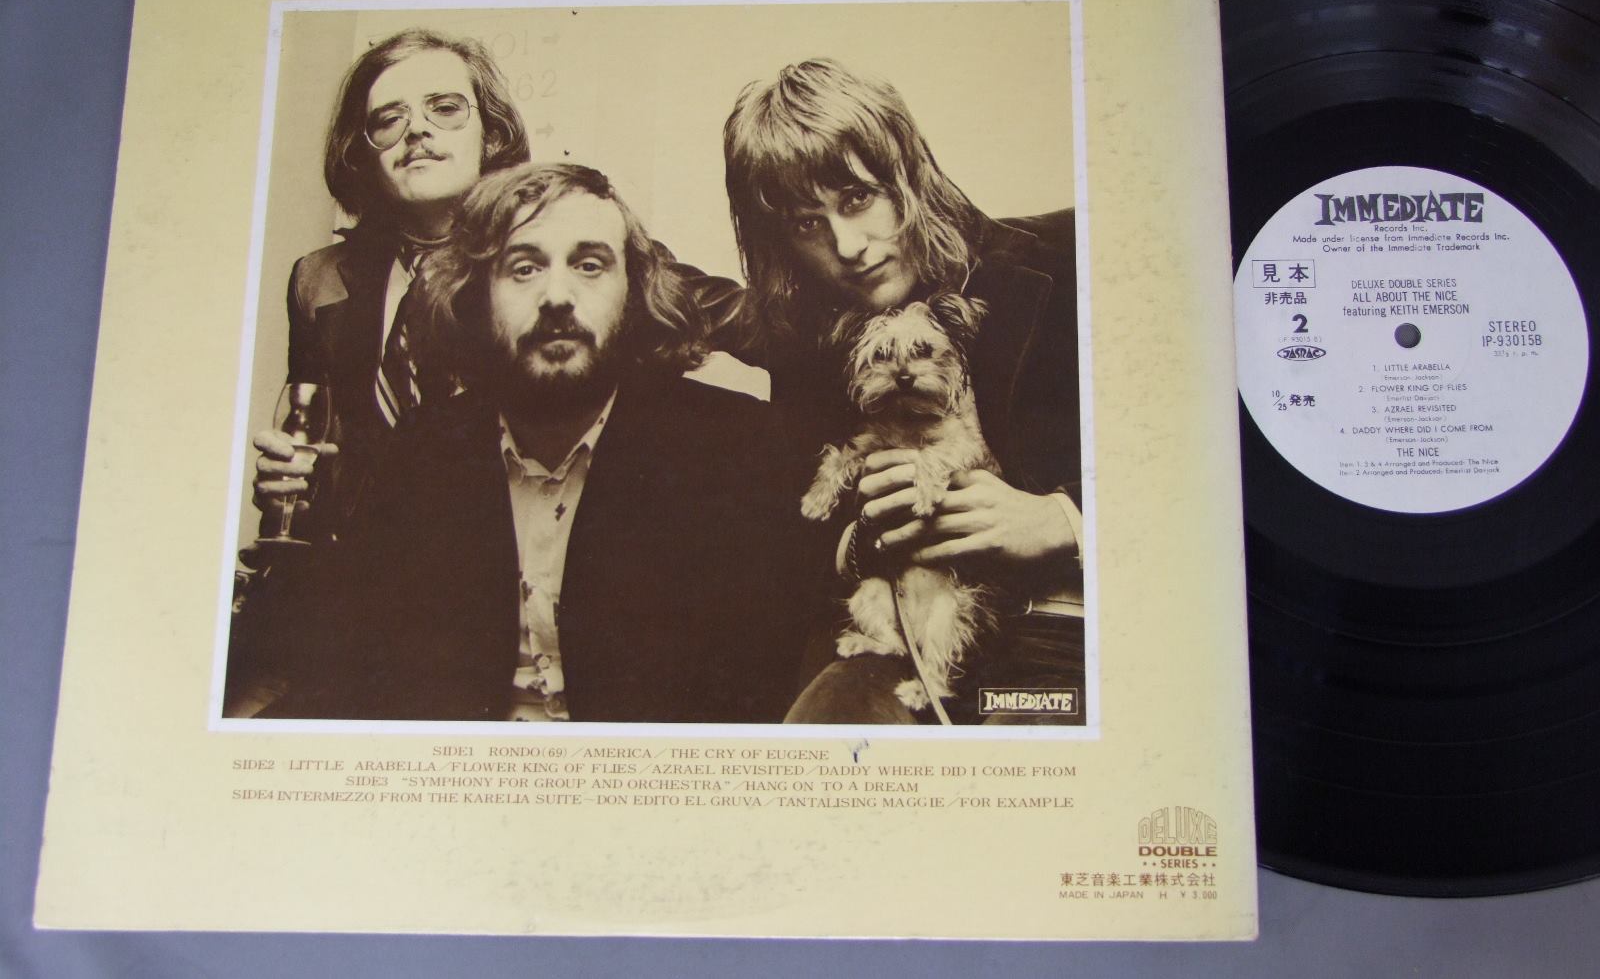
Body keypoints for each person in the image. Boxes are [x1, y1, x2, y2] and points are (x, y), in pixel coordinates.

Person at [260, 163, 809, 722]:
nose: (557, 297)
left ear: (634, 293)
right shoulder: (420, 452)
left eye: (590, 265)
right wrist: (303, 518)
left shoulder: (736, 448)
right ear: (477, 297)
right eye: (523, 268)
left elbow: (754, 701)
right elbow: (353, 667)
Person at [719, 58, 1084, 724]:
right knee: (823, 736)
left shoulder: (1064, 258)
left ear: (907, 174)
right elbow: (801, 541)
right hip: (903, 632)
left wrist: (1064, 518)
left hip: (1065, 631)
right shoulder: (814, 339)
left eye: (858, 199)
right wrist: (867, 538)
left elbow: (1191, 448)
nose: (847, 245)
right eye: (807, 224)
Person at [250, 27, 532, 542]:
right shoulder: (318, 280)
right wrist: (291, 486)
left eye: (444, 108)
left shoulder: (548, 260)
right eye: (388, 120)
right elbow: (321, 450)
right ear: (363, 154)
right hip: (362, 574)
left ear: (491, 135)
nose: (416, 130)